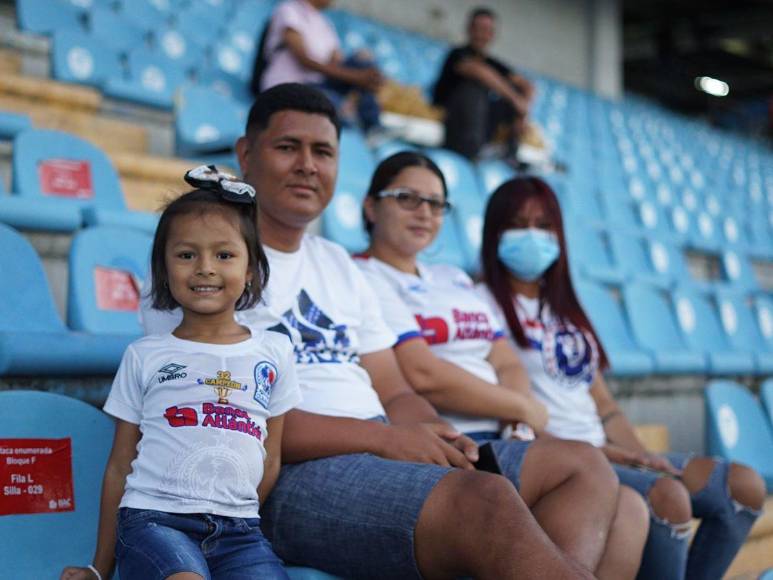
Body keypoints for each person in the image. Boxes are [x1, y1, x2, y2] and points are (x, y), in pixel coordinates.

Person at [141, 83, 598, 579]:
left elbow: (395, 387)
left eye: (323, 152)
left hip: (378, 446)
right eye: (288, 147)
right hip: (281, 475)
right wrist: (384, 441)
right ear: (246, 155)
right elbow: (224, 416)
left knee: (582, 469)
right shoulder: (201, 266)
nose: (308, 165)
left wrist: (432, 431)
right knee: (485, 500)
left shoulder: (339, 264)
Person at [355, 150, 649, 580]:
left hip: (503, 433)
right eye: (407, 198)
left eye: (436, 203)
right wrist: (523, 409)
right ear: (369, 206)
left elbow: (506, 361)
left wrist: (517, 415)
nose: (424, 213)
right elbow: (423, 375)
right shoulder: (362, 274)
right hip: (454, 436)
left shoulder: (452, 278)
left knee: (632, 510)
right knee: (586, 465)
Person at [476, 175, 767, 580]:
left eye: (543, 225)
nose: (532, 235)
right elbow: (514, 421)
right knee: (669, 497)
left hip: (607, 449)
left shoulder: (564, 309)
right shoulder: (479, 305)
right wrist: (616, 456)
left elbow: (605, 405)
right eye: (518, 224)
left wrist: (642, 455)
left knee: (744, 486)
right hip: (564, 461)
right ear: (494, 232)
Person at [61, 170, 302, 580]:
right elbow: (120, 465)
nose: (205, 268)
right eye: (186, 255)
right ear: (163, 270)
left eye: (224, 255)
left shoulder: (274, 352)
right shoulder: (144, 356)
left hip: (240, 533)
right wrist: (99, 569)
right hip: (154, 522)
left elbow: (271, 457)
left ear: (250, 270)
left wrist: (235, 510)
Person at [253, 0, 384, 133]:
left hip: (318, 84)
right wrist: (356, 77)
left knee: (363, 59)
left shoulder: (324, 23)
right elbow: (304, 60)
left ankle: (373, 126)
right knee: (330, 108)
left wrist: (363, 76)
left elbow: (337, 62)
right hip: (289, 86)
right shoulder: (290, 10)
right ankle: (349, 112)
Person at [433, 6, 535, 160]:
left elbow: (526, 85)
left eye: (486, 30)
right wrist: (515, 100)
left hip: (481, 124)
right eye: (478, 28)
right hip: (453, 121)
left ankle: (509, 152)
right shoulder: (458, 54)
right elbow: (478, 71)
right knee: (474, 89)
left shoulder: (493, 63)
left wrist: (522, 114)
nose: (481, 34)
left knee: (511, 95)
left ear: (492, 34)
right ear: (469, 29)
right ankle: (470, 150)